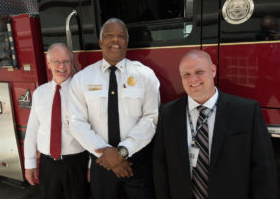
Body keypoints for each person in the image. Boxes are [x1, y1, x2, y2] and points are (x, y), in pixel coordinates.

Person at [153, 49, 278, 199]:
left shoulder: (246, 112)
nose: (193, 79)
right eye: (186, 75)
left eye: (199, 72)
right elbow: (160, 167)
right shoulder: (167, 114)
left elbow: (264, 170)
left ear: (213, 71)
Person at [68, 18, 160, 199]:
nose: (115, 40)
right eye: (109, 36)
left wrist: (123, 151)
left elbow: (151, 118)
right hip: (101, 164)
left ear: (127, 42)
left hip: (136, 162)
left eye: (120, 36)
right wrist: (107, 155)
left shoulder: (145, 75)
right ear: (101, 42)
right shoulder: (82, 79)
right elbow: (76, 121)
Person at [24, 43, 88, 199]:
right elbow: (32, 129)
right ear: (48, 63)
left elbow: (95, 129)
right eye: (56, 61)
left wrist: (92, 165)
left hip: (76, 163)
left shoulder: (82, 92)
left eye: (66, 61)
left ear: (72, 63)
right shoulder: (40, 93)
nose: (62, 66)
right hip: (48, 165)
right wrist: (30, 163)